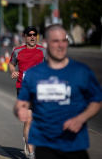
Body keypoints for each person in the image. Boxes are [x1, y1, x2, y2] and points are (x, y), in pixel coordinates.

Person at [14, 24, 102, 159]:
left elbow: (96, 100)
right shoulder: (33, 74)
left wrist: (81, 118)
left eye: (63, 40)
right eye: (55, 41)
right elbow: (21, 103)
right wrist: (20, 110)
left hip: (75, 144)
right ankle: (31, 150)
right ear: (47, 43)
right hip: (46, 146)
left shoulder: (81, 71)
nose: (60, 45)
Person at [8, 26, 47, 158]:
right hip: (23, 88)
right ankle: (31, 152)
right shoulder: (17, 51)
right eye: (29, 34)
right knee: (28, 120)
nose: (32, 37)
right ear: (24, 37)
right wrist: (12, 71)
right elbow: (11, 63)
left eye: (34, 34)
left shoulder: (43, 51)